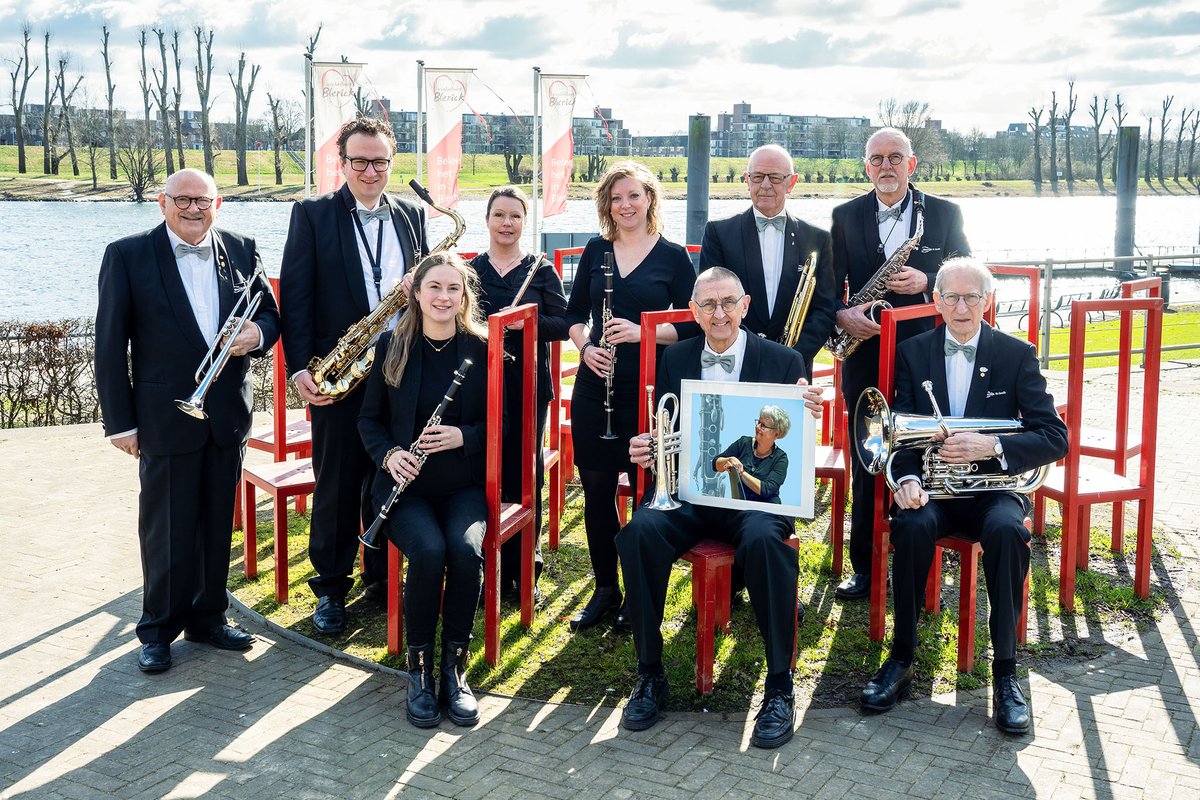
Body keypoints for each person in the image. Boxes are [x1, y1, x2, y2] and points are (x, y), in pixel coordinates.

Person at [616, 267, 823, 748]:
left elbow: (795, 438)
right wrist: (649, 446)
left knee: (764, 541)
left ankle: (778, 685)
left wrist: (807, 410)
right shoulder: (677, 357)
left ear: (745, 305)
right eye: (708, 305)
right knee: (641, 530)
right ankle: (650, 673)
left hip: (752, 502)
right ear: (693, 312)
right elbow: (669, 430)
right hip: (690, 495)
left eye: (728, 302)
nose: (719, 314)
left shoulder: (783, 359)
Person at [859, 257, 1067, 735]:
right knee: (909, 527)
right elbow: (901, 434)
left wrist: (992, 444)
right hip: (933, 490)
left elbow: (1054, 436)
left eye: (971, 296)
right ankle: (902, 657)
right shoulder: (914, 353)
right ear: (935, 301)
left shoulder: (1017, 353)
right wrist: (904, 479)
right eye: (950, 296)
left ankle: (1007, 672)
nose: (961, 306)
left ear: (987, 301)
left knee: (1008, 531)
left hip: (994, 490)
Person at [96, 168, 280, 674]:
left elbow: (270, 314)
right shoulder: (128, 254)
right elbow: (109, 345)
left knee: (218, 523)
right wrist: (121, 423)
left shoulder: (242, 247)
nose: (194, 208)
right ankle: (157, 629)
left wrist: (256, 336)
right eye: (183, 200)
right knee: (166, 529)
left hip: (224, 414)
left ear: (217, 204)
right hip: (162, 416)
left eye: (204, 200)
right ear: (162, 203)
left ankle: (208, 617)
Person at [279, 116, 428, 635]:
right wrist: (300, 368)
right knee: (338, 482)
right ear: (341, 163)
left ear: (392, 163)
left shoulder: (411, 216)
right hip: (339, 371)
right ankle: (331, 588)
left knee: (393, 476)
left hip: (399, 366)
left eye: (380, 162)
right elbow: (294, 298)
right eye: (360, 161)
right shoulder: (312, 214)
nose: (370, 171)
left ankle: (382, 576)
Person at [831, 127, 971, 602]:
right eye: (876, 159)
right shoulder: (844, 215)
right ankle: (866, 566)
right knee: (867, 461)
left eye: (895, 158)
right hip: (864, 356)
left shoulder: (945, 213)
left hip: (923, 357)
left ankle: (920, 556)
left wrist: (929, 279)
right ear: (866, 166)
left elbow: (969, 270)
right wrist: (844, 313)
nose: (885, 166)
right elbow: (831, 285)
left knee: (922, 453)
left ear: (912, 164)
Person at [358, 252, 493, 729]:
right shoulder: (393, 344)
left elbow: (505, 426)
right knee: (430, 550)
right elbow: (369, 421)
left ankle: (454, 670)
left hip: (463, 485)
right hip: (404, 489)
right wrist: (389, 455)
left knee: (463, 548)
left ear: (464, 296)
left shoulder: (481, 348)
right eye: (433, 287)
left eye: (453, 289)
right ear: (416, 293)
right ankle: (419, 672)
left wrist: (464, 436)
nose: (443, 297)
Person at [564, 160, 696, 631]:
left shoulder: (674, 256)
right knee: (597, 493)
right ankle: (605, 588)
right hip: (596, 382)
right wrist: (585, 348)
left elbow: (692, 324)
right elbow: (575, 314)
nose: (625, 205)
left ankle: (639, 593)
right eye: (616, 198)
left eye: (634, 196)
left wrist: (645, 333)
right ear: (607, 203)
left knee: (646, 492)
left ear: (650, 200)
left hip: (648, 388)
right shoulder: (597, 250)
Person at [467, 187, 569, 604]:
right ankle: (482, 560)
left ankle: (525, 568)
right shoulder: (472, 269)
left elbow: (563, 323)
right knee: (483, 472)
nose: (507, 223)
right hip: (482, 387)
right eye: (499, 215)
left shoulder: (541, 270)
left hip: (529, 385)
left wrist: (522, 324)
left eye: (515, 216)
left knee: (525, 474)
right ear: (488, 220)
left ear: (525, 223)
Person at [699, 144, 836, 372]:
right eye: (758, 176)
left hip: (795, 365)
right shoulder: (718, 233)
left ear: (791, 182)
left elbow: (824, 309)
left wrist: (792, 357)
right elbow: (712, 303)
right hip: (736, 362)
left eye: (774, 177)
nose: (765, 185)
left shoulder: (819, 239)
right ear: (747, 180)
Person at [715, 404, 791, 504]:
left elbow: (766, 490)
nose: (758, 427)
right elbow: (715, 464)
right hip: (741, 506)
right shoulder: (743, 443)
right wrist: (729, 460)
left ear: (777, 434)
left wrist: (740, 472)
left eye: (763, 425)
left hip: (769, 508)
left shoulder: (781, 458)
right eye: (759, 422)